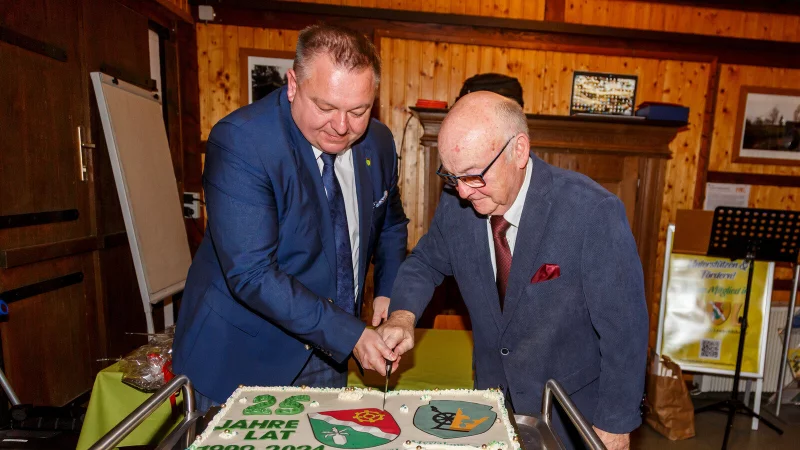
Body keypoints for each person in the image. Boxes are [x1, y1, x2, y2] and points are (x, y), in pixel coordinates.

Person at [378, 91, 648, 450]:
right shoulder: (458, 204)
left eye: (473, 176)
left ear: (518, 151)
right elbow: (425, 262)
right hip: (491, 406)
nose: (461, 191)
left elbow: (625, 331)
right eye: (451, 176)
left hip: (572, 415)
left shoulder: (591, 212)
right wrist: (402, 315)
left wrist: (615, 426)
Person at [173, 24, 409, 410]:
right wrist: (351, 334)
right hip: (240, 356)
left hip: (327, 353)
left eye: (359, 110)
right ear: (293, 85)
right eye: (326, 107)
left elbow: (391, 222)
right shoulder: (242, 142)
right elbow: (251, 275)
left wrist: (387, 290)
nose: (342, 126)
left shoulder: (379, 143)